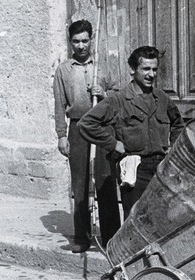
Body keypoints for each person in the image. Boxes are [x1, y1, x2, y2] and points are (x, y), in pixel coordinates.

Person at [78, 46, 185, 217]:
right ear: (133, 70)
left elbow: (178, 124)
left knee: (160, 218)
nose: (151, 74)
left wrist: (173, 146)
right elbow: (86, 123)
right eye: (146, 69)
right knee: (136, 219)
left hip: (161, 167)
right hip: (134, 168)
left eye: (154, 69)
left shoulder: (162, 98)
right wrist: (113, 144)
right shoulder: (118, 100)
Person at [53, 19, 121, 253]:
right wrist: (62, 135)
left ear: (91, 40)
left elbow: (118, 95)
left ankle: (112, 239)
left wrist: (104, 94)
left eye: (85, 40)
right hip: (78, 127)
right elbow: (59, 105)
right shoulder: (63, 70)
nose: (81, 46)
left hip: (102, 127)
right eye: (76, 41)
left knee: (105, 180)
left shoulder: (103, 65)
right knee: (80, 183)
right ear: (70, 42)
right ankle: (82, 238)